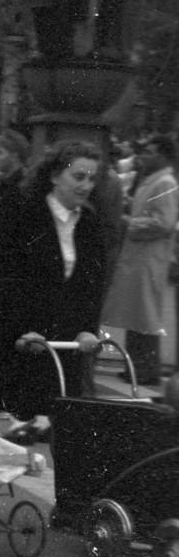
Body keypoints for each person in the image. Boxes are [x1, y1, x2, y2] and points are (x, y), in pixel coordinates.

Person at [0, 140, 111, 428]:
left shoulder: (91, 224)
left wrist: (86, 331)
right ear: (55, 176)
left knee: (53, 427)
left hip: (62, 343)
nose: (85, 186)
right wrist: (20, 330)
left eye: (92, 179)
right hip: (16, 339)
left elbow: (91, 288)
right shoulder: (20, 212)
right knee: (8, 427)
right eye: (78, 176)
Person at [102, 135, 178, 386]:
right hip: (140, 256)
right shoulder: (153, 180)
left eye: (151, 152)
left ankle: (146, 369)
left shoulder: (165, 182)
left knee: (144, 316)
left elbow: (164, 222)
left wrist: (129, 223)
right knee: (136, 314)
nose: (144, 157)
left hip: (149, 258)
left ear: (164, 156)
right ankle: (136, 366)